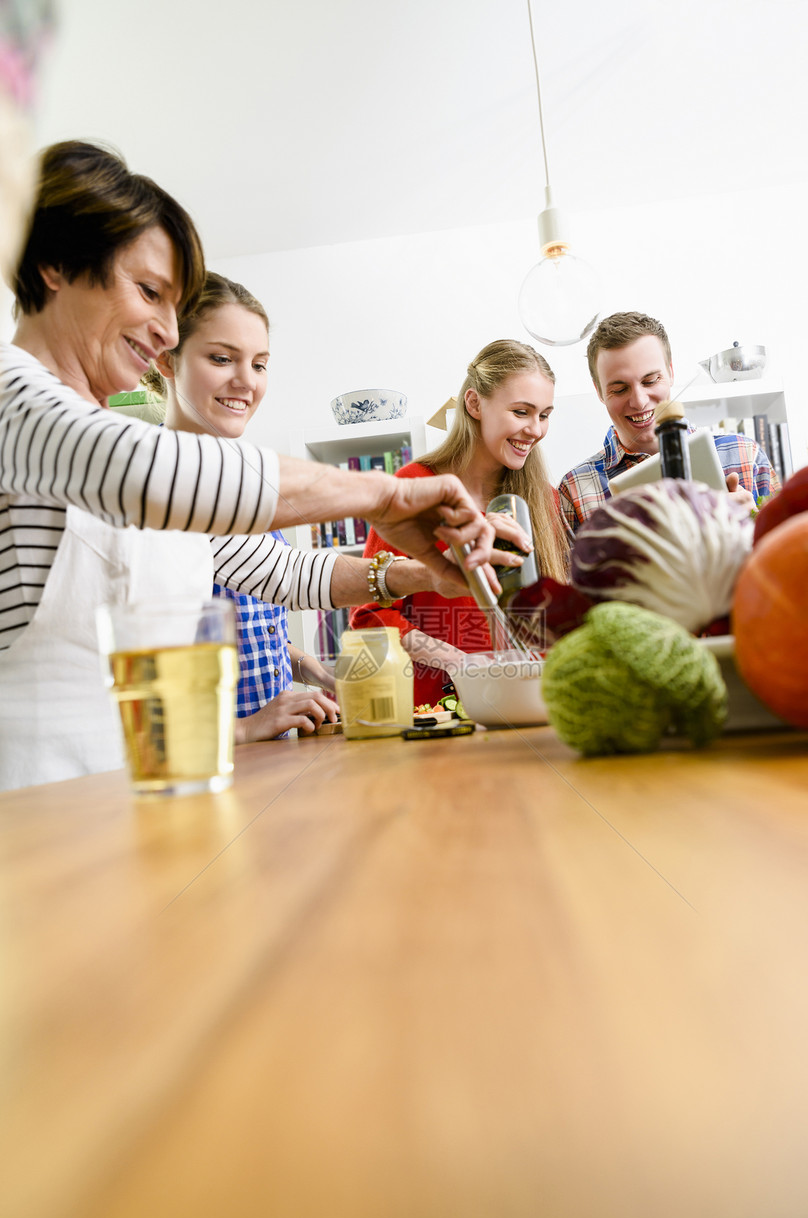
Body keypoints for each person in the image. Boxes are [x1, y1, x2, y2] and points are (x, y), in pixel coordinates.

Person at [0, 140, 494, 790]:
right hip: (30, 819)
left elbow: (284, 569)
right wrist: (385, 496)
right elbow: (142, 470)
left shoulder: (121, 447)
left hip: (140, 806)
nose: (168, 333)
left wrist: (418, 572)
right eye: (149, 291)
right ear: (53, 263)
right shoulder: (17, 396)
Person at [147, 271, 341, 742]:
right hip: (206, 767)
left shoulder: (245, 482)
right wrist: (245, 727)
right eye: (221, 358)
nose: (246, 382)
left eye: (260, 364)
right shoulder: (153, 489)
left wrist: (305, 666)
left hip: (274, 759)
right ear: (165, 359)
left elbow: (248, 622)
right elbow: (147, 675)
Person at [350, 339, 570, 707]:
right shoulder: (413, 487)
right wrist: (459, 663)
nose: (535, 429)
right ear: (474, 403)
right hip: (435, 716)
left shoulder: (543, 497)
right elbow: (369, 614)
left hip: (529, 704)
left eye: (544, 415)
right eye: (521, 412)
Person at [557, 311, 781, 539]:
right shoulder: (575, 489)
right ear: (599, 392)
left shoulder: (744, 455)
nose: (639, 401)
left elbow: (793, 560)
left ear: (671, 373)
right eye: (619, 389)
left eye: (650, 381)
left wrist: (754, 525)